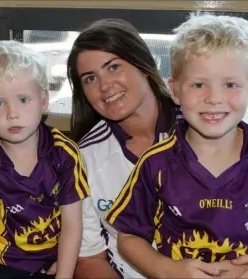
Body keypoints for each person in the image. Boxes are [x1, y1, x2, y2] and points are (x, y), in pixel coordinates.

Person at [105, 13, 248, 279]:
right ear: (175, 90)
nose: (214, 99)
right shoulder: (155, 163)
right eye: (198, 84)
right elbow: (127, 236)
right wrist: (167, 269)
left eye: (230, 84)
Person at [0, 40, 90, 279]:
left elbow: (73, 226)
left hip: (58, 261)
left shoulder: (65, 154)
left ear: (44, 101)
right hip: (4, 264)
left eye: (23, 100)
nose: (12, 113)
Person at [67, 18, 179, 278]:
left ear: (143, 64)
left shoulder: (202, 128)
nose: (104, 86)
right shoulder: (82, 160)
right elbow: (89, 259)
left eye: (114, 67)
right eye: (90, 78)